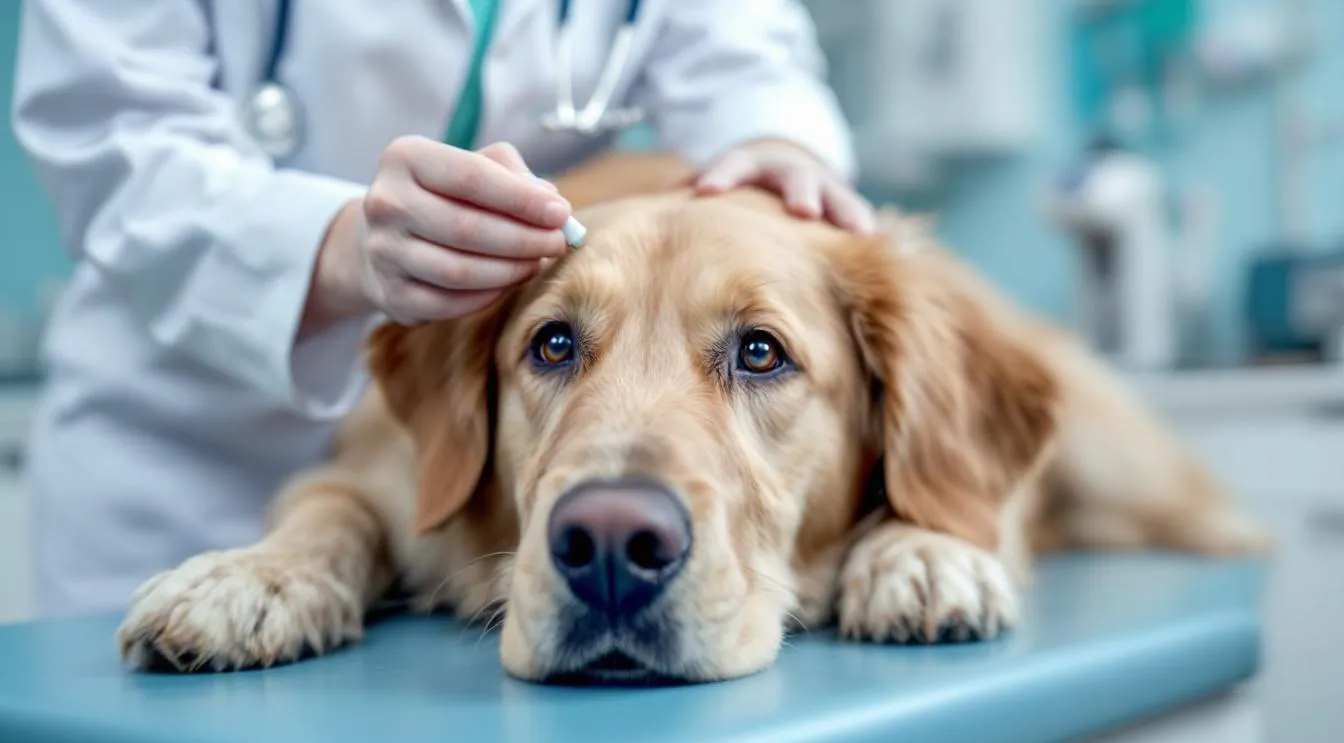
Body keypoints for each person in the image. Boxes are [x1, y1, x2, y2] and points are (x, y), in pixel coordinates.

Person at [11, 0, 874, 618]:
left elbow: (747, 55)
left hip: (500, 471)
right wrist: (341, 247)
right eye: (562, 343)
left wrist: (775, 143)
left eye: (757, 353)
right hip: (182, 458)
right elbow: (110, 139)